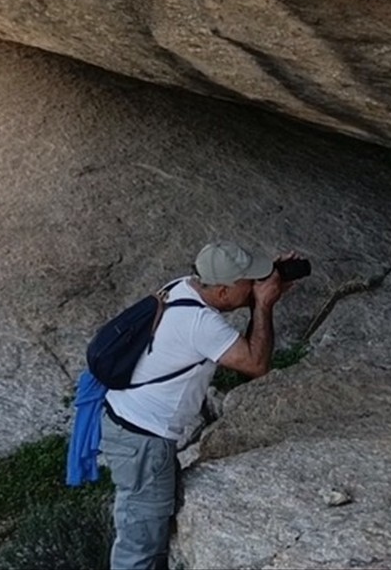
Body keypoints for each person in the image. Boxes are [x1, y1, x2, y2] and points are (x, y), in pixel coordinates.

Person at [100, 240, 299, 570]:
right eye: (248, 282)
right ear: (222, 292)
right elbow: (256, 365)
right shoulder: (201, 325)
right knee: (140, 544)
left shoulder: (182, 286)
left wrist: (265, 279)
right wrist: (263, 305)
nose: (254, 287)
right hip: (142, 442)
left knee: (149, 526)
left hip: (130, 428)